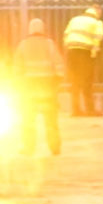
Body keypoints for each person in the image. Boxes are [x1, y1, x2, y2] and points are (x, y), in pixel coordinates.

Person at [14, 16, 63, 156]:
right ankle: (55, 148)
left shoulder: (22, 45)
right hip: (47, 86)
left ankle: (28, 148)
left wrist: (19, 84)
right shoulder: (49, 44)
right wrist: (57, 81)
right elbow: (58, 64)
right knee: (50, 119)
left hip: (29, 88)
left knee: (28, 119)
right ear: (43, 29)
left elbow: (17, 67)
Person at [62, 5, 103, 116]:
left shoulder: (75, 19)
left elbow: (66, 35)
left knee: (74, 82)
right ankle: (90, 109)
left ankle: (76, 110)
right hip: (85, 52)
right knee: (87, 81)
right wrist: (94, 52)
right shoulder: (97, 23)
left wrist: (67, 49)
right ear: (98, 12)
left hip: (71, 51)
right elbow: (98, 38)